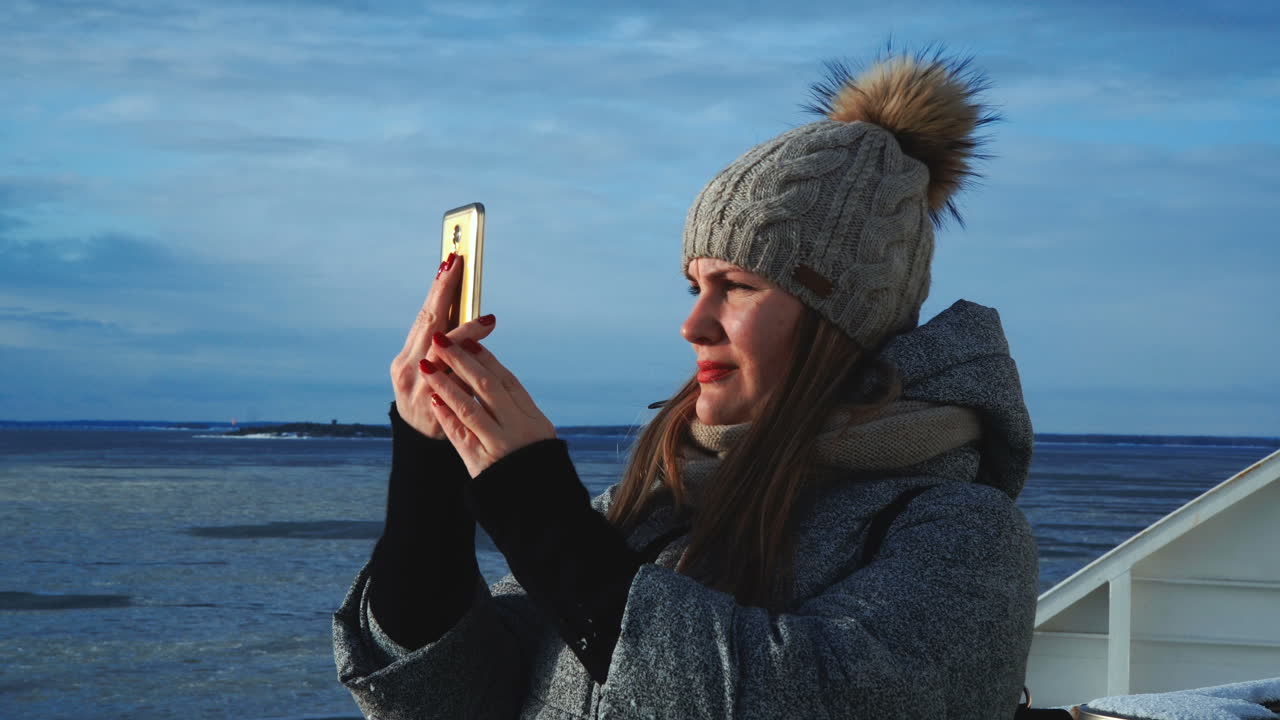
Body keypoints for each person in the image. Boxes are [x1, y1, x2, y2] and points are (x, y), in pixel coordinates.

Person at [334, 48, 1039, 719]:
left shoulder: (960, 532)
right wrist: (429, 465)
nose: (693, 324)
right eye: (694, 285)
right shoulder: (649, 507)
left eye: (737, 286)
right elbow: (448, 701)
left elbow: (804, 701)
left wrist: (536, 505)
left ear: (841, 320)